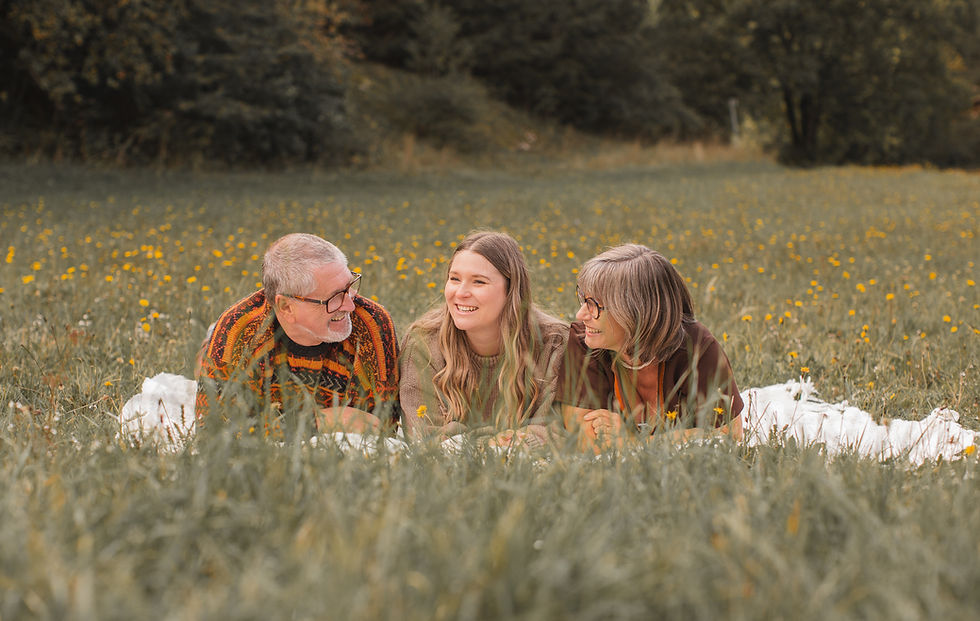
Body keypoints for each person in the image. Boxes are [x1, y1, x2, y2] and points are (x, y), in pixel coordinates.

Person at [195, 233, 399, 434]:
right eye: (335, 297)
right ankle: (208, 345)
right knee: (210, 367)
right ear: (286, 307)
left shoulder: (371, 322)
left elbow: (383, 424)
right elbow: (213, 432)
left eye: (350, 287)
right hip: (240, 343)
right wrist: (316, 423)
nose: (350, 305)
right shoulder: (238, 334)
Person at [558, 244, 743, 447]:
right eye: (583, 299)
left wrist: (634, 441)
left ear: (635, 311)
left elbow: (729, 434)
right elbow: (584, 439)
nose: (581, 315)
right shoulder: (584, 341)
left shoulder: (697, 349)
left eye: (595, 305)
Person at [399, 231, 568, 445]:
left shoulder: (554, 344)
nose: (461, 293)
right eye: (454, 279)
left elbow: (558, 432)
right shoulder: (423, 343)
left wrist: (465, 439)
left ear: (511, 290)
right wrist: (497, 442)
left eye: (478, 282)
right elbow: (424, 437)